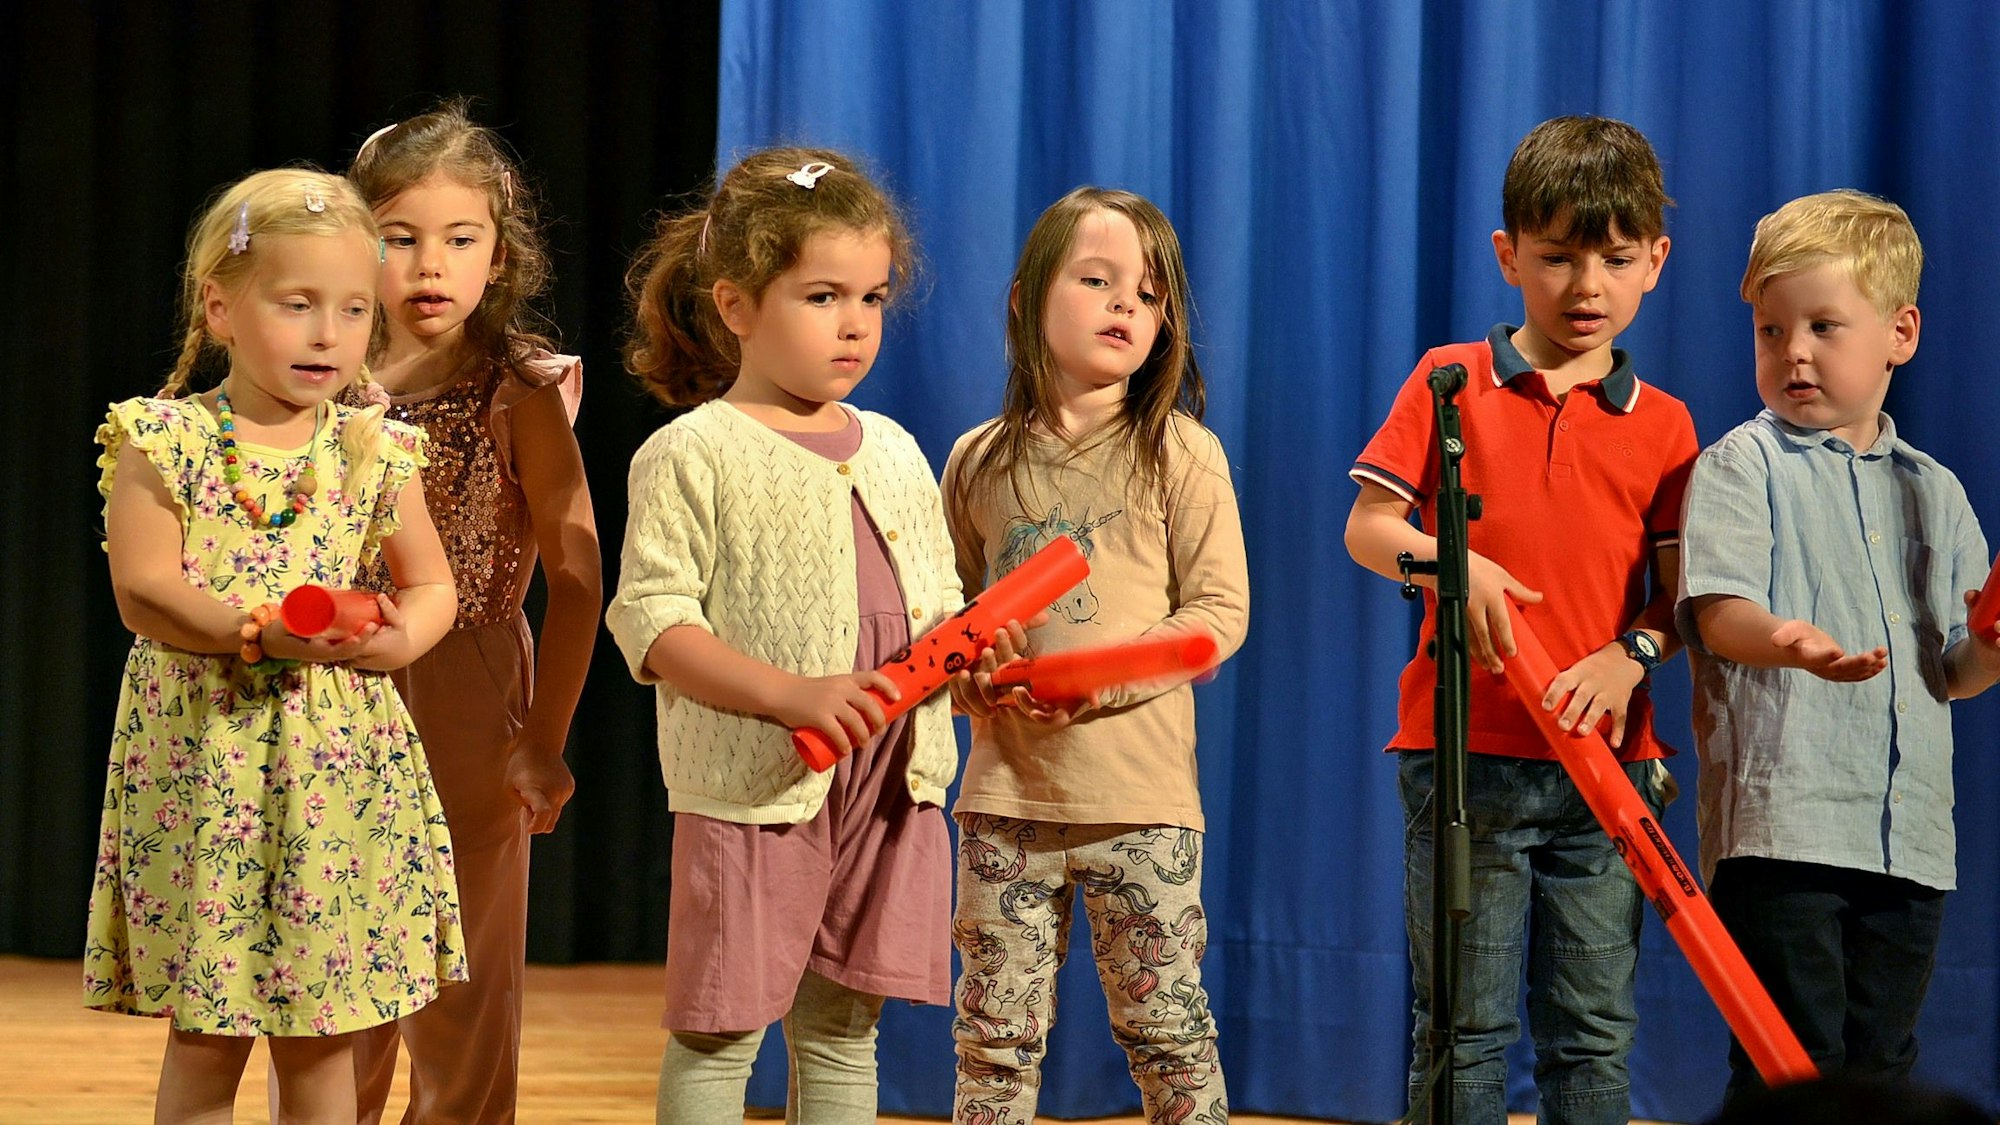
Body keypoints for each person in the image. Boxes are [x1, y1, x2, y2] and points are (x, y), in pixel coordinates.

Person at [82, 168, 463, 1124]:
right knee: (209, 1031)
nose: (328, 335)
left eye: (350, 310)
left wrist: (396, 636)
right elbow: (145, 588)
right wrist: (253, 630)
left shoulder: (375, 448)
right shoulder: (163, 438)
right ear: (221, 305)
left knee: (321, 1028)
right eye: (297, 305)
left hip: (337, 768)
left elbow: (431, 583)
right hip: (209, 762)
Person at [1343, 115, 1696, 1124]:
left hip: (1605, 773)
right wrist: (1456, 570)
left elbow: (1673, 605)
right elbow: (1368, 528)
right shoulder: (1449, 380)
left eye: (1613, 258)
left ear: (1652, 264)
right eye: (1556, 257)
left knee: (1592, 1032)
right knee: (1462, 1025)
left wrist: (1630, 657)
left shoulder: (1665, 426)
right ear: (1507, 257)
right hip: (1466, 760)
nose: (1584, 285)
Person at [604, 147, 961, 1125]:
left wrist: (975, 660)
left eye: (872, 297)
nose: (853, 324)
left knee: (846, 1031)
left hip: (891, 782)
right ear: (734, 307)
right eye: (820, 296)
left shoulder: (891, 448)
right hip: (760, 785)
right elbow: (654, 622)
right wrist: (788, 694)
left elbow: (936, 608)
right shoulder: (692, 452)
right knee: (721, 1032)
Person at [1677, 189, 2000, 1102]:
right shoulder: (1743, 462)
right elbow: (1717, 613)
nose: (1795, 353)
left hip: (1907, 838)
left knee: (1881, 1066)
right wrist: (1792, 641)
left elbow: (1956, 672)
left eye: (1823, 326)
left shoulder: (1936, 492)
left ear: (1901, 332)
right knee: (1791, 1064)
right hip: (1784, 831)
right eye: (1771, 331)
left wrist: (1991, 649)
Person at [942, 186, 1250, 1125]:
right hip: (1005, 804)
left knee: (1167, 1030)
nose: (1126, 305)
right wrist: (976, 671)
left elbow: (1218, 616)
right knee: (993, 1040)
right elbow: (953, 623)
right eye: (1098, 280)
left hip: (1142, 806)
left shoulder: (1181, 454)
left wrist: (1093, 680)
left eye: (1150, 295)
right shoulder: (977, 461)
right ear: (1024, 297)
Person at [343, 99, 601, 1125]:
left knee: (464, 969)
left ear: (499, 253)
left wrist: (544, 739)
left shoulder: (514, 388)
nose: (428, 265)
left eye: (459, 239)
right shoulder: (321, 380)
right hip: (338, 680)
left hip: (470, 678)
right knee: (338, 954)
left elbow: (578, 576)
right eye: (399, 239)